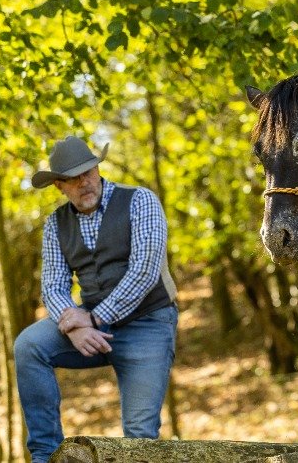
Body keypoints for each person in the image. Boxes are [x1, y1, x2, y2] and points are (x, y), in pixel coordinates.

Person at [14, 136, 178, 463]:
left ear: (97, 167)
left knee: (140, 436)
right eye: (72, 179)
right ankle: (45, 456)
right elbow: (53, 287)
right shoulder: (54, 225)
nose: (83, 183)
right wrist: (74, 326)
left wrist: (92, 318)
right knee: (28, 346)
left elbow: (145, 271)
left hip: (147, 323)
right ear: (59, 186)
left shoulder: (140, 201)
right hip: (90, 326)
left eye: (87, 172)